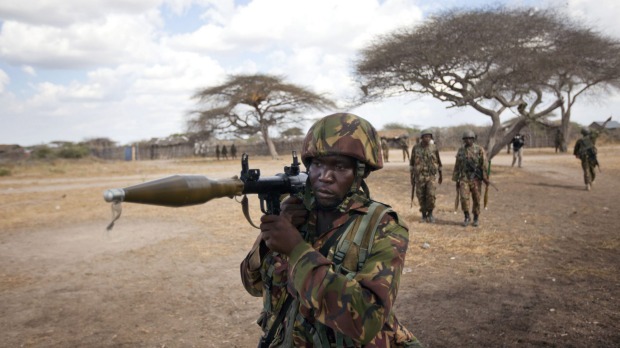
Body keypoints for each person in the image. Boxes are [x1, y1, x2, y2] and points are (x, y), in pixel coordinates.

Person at [240, 113, 421, 347]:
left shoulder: (383, 227)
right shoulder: (296, 217)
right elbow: (252, 285)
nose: (324, 177)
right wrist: (268, 241)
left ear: (360, 172)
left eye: (339, 166)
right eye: (317, 164)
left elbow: (367, 320)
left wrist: (296, 250)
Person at [452, 130, 489, 227]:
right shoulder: (461, 150)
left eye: (470, 138)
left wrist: (485, 177)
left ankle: (476, 217)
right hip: (464, 178)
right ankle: (467, 217)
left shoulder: (479, 149)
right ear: (463, 140)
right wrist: (456, 179)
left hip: (476, 178)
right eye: (466, 139)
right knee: (464, 198)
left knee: (476, 198)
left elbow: (484, 164)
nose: (468, 140)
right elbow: (457, 165)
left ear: (473, 139)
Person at [410, 129, 443, 223]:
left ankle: (431, 213)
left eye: (429, 136)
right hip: (419, 177)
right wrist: (411, 177)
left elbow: (439, 162)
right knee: (421, 196)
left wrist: (441, 175)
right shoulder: (416, 148)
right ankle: (424, 215)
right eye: (425, 136)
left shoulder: (434, 148)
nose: (427, 138)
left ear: (431, 137)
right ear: (422, 138)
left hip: (431, 176)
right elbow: (412, 163)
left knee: (431, 195)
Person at [573, 127, 600, 191]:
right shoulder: (592, 138)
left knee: (587, 170)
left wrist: (576, 155)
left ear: (582, 133)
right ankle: (589, 182)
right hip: (591, 157)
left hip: (586, 157)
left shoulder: (580, 140)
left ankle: (588, 183)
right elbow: (597, 132)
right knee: (591, 170)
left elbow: (576, 150)